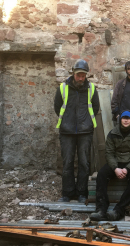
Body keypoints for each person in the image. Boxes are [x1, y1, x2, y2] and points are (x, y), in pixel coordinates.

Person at [54, 59, 100, 203]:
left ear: (86, 75)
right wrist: (67, 120)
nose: (81, 78)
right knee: (67, 162)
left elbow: (96, 107)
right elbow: (57, 107)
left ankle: (81, 193)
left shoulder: (91, 89)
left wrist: (85, 122)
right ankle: (67, 193)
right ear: (73, 73)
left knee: (84, 163)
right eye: (78, 74)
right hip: (67, 131)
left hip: (85, 131)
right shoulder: (62, 88)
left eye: (83, 75)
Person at [91, 110, 130, 221]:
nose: (126, 121)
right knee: (102, 174)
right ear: (120, 120)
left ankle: (119, 210)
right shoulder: (113, 133)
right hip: (116, 162)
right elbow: (109, 153)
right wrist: (115, 168)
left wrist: (127, 169)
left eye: (128, 119)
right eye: (124, 118)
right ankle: (101, 209)